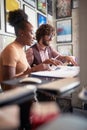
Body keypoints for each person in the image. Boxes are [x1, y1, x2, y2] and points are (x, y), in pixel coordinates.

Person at [0, 10, 58, 91]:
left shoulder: (20, 49)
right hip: (17, 98)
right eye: (31, 33)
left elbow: (26, 72)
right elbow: (8, 85)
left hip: (25, 93)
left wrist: (44, 63)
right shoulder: (11, 50)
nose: (34, 37)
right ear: (21, 33)